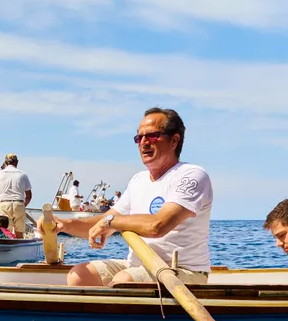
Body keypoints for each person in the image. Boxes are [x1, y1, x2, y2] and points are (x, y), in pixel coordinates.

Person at [56, 107, 212, 287]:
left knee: (124, 281)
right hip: (138, 266)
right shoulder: (138, 180)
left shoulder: (191, 176)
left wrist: (110, 222)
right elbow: (101, 222)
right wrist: (63, 225)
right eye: (139, 138)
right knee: (80, 275)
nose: (143, 143)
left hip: (184, 270)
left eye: (152, 136)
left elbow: (157, 226)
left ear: (174, 141)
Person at [0, 153, 32, 238]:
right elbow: (28, 195)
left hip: (4, 203)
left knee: (5, 232)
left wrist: (1, 203)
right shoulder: (23, 175)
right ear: (17, 162)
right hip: (19, 204)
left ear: (6, 162)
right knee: (19, 233)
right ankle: (19, 249)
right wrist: (23, 205)